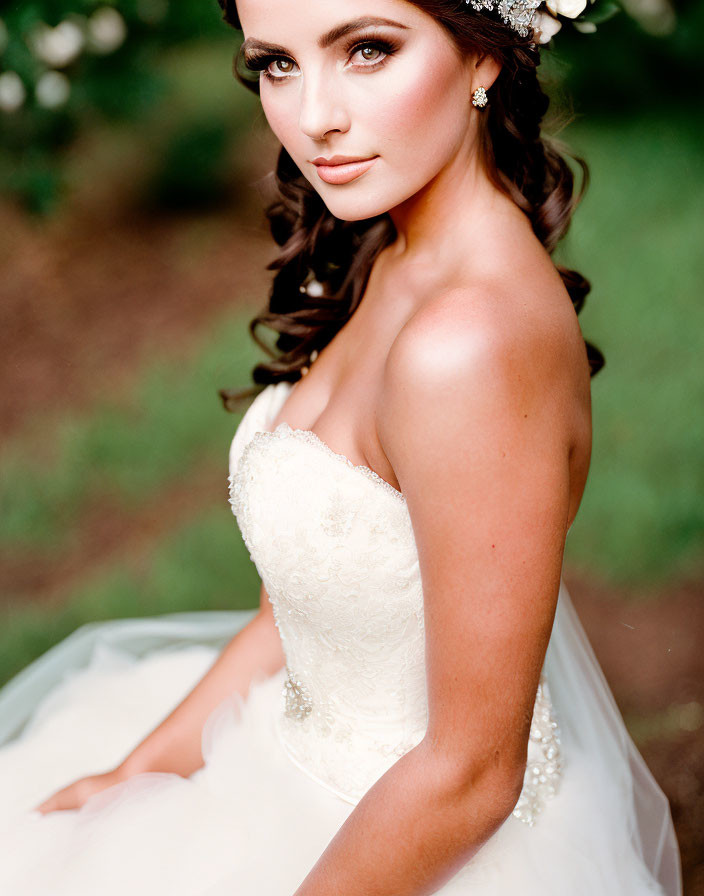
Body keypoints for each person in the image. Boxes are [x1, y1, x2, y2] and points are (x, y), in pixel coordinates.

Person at [0, 0, 682, 893]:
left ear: (486, 58)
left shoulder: (467, 346)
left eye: (366, 50)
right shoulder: (391, 251)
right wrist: (140, 772)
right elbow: (298, 613)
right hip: (281, 750)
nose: (313, 116)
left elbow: (473, 775)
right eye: (277, 64)